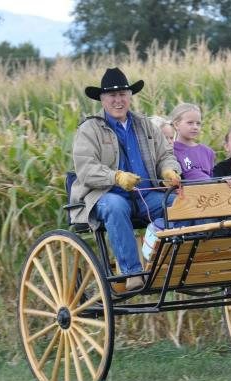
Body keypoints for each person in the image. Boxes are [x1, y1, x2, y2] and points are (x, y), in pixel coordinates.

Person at [71, 67, 181, 291]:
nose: (118, 100)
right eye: (112, 96)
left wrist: (169, 171)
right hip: (104, 196)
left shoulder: (144, 124)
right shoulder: (89, 129)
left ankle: (174, 264)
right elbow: (85, 168)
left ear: (130, 97)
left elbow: (165, 155)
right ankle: (132, 273)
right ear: (102, 99)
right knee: (115, 205)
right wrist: (116, 177)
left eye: (122, 94)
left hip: (145, 195)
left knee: (179, 204)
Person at [165, 102, 215, 227]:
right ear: (176, 124)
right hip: (190, 199)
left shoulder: (207, 151)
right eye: (190, 123)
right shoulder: (172, 150)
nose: (195, 127)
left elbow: (213, 177)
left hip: (211, 196)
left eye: (198, 123)